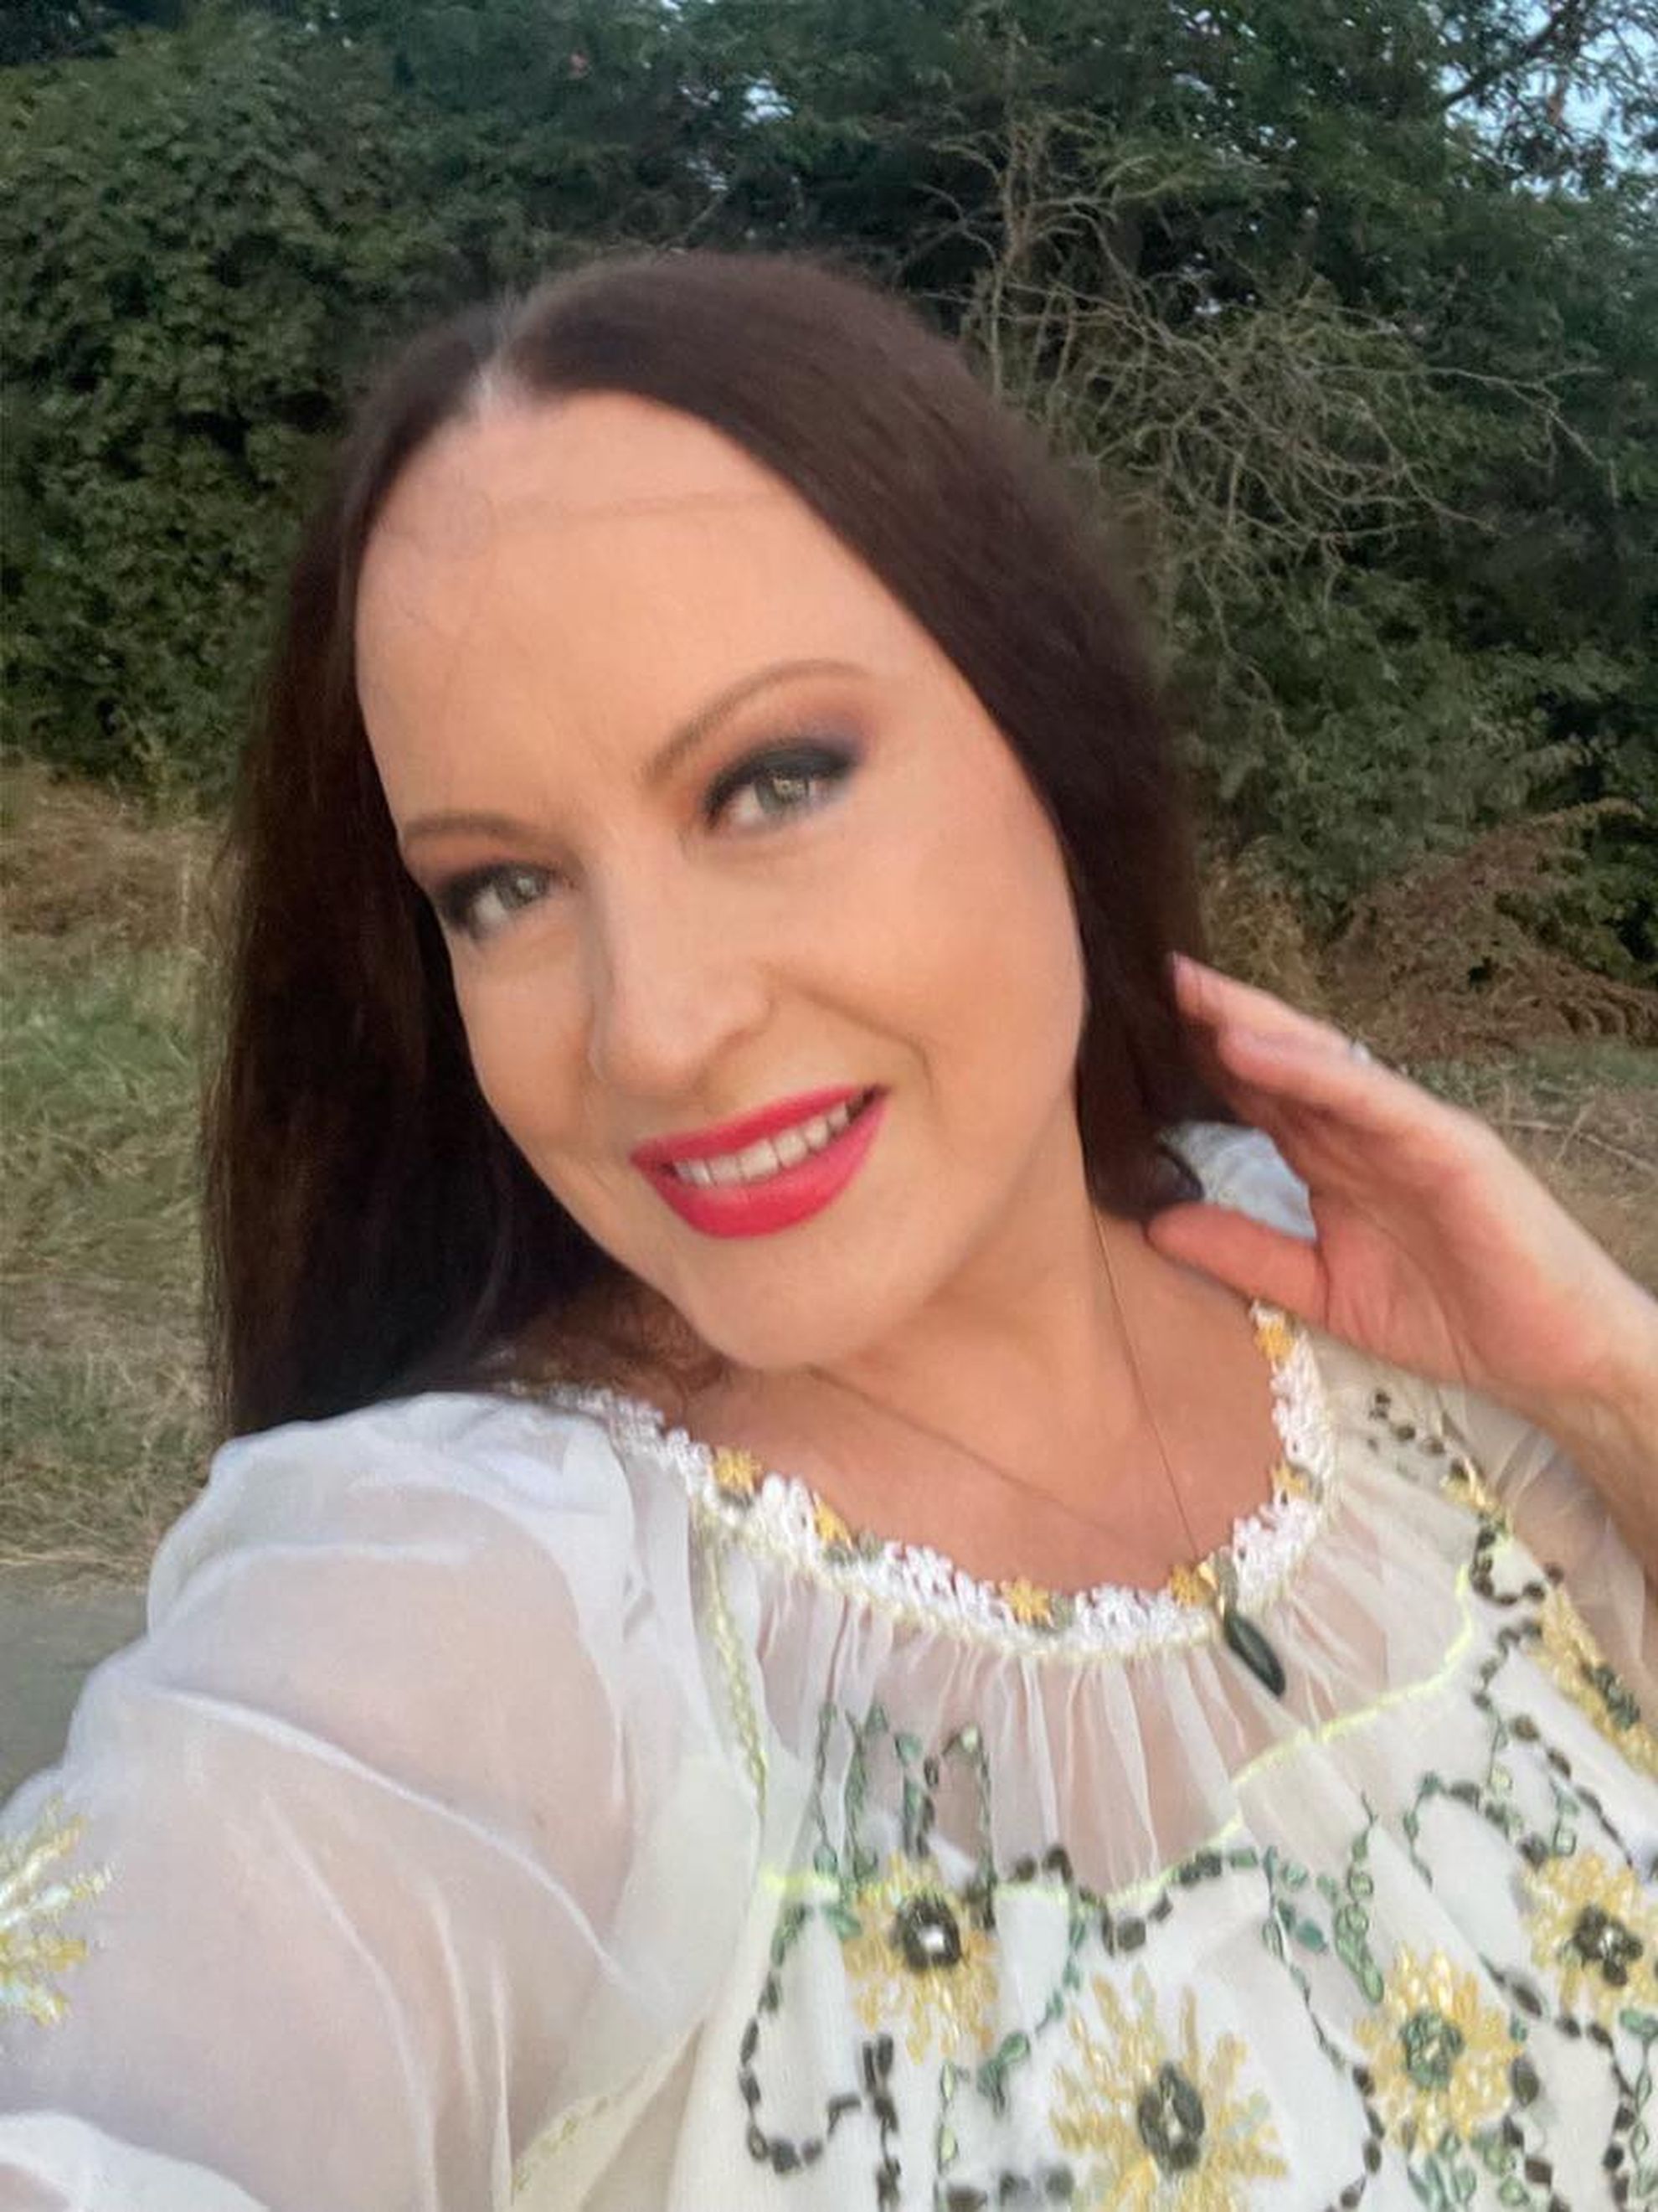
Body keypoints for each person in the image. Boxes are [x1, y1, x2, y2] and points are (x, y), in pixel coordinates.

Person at [1, 249, 1654, 2211]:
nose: (651, 1030)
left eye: (769, 782)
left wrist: (1605, 1375)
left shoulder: (1368, 1302)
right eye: (502, 886)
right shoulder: (462, 1608)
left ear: (1052, 741)